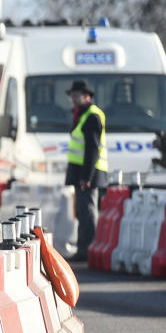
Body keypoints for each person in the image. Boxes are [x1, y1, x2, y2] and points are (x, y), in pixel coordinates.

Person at [64, 80, 108, 261]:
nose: (73, 99)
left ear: (87, 96)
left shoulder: (91, 116)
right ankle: (84, 248)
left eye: (77, 96)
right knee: (82, 211)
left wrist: (86, 177)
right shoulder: (81, 114)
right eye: (72, 96)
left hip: (88, 174)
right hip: (82, 173)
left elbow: (92, 149)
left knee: (88, 211)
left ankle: (87, 250)